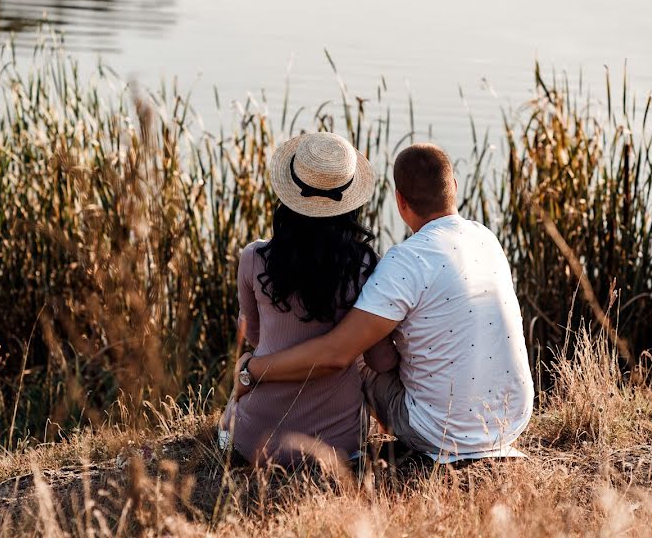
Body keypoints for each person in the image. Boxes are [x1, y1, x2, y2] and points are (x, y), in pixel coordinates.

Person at [233, 143, 534, 462]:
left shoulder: (405, 261)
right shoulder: (487, 239)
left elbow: (335, 354)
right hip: (511, 419)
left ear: (400, 200)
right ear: (454, 188)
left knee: (357, 351)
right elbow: (385, 358)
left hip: (439, 431)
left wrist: (250, 370)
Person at [221, 131, 398, 466]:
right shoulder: (366, 266)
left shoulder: (253, 258)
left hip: (252, 440)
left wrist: (250, 369)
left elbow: (256, 339)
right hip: (335, 446)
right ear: (350, 200)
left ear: (288, 195)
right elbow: (380, 360)